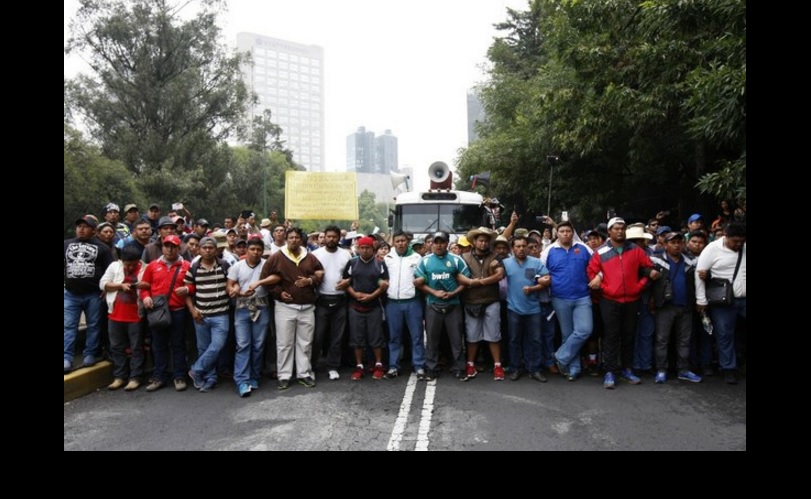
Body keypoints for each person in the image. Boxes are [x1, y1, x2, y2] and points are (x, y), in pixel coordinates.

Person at [587, 217, 659, 389]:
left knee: (629, 335)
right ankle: (610, 371)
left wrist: (639, 286)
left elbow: (648, 270)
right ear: (609, 231)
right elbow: (591, 273)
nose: (620, 231)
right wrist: (606, 288)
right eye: (616, 228)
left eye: (622, 228)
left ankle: (627, 369)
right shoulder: (601, 252)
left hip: (632, 300)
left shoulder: (636, 250)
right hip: (609, 300)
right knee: (610, 336)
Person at [255, 227, 324, 389]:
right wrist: (279, 293)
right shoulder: (277, 257)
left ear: (301, 240)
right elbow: (264, 279)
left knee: (305, 343)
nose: (294, 240)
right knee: (284, 343)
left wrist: (310, 281)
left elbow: (320, 272)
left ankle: (304, 373)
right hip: (285, 307)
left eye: (296, 238)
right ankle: (284, 375)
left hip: (307, 306)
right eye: (291, 237)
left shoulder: (310, 257)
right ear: (286, 239)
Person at [414, 231, 470, 379]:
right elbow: (418, 282)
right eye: (436, 242)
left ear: (447, 243)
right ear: (431, 243)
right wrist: (434, 292)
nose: (439, 245)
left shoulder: (457, 260)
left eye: (442, 242)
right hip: (433, 305)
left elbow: (466, 281)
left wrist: (454, 293)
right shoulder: (425, 261)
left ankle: (459, 367)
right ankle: (431, 367)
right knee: (432, 339)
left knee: (457, 339)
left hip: (453, 305)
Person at [541, 221, 593, 381]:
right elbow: (541, 272)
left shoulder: (583, 248)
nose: (565, 234)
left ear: (572, 233)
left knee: (585, 330)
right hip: (559, 297)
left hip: (582, 296)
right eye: (562, 231)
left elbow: (596, 266)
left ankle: (560, 356)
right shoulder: (548, 251)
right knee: (567, 334)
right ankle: (573, 369)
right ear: (557, 233)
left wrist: (598, 277)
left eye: (568, 231)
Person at [139, 235, 192, 392]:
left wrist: (188, 289)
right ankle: (159, 377)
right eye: (167, 246)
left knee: (178, 345)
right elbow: (144, 286)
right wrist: (146, 297)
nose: (170, 249)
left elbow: (194, 286)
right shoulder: (153, 266)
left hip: (178, 311)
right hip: (158, 311)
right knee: (158, 345)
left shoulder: (186, 266)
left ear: (179, 248)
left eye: (173, 246)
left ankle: (179, 376)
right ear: (162, 247)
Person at [695, 221, 746, 384]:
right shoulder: (712, 249)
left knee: (738, 335)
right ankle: (728, 368)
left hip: (744, 299)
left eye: (741, 241)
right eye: (735, 241)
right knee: (724, 335)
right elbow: (699, 274)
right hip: (722, 302)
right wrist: (701, 299)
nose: (739, 244)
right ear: (726, 236)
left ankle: (739, 361)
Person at [650, 232, 702, 383]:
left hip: (685, 306)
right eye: (672, 242)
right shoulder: (656, 260)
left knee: (685, 340)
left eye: (679, 242)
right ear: (665, 245)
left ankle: (683, 370)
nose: (677, 245)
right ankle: (661, 369)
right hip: (665, 306)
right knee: (662, 339)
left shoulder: (691, 261)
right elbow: (643, 273)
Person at [64, 216, 114, 373]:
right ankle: (66, 358)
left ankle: (90, 354)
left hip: (94, 294)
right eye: (79, 226)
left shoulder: (103, 248)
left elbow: (110, 271)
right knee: (68, 326)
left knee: (93, 326)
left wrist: (106, 289)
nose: (81, 229)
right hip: (71, 294)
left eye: (85, 226)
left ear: (94, 230)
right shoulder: (66, 244)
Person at [456, 227, 506, 381]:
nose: (483, 243)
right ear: (474, 242)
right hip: (471, 301)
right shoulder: (463, 257)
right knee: (472, 336)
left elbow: (499, 275)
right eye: (480, 240)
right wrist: (472, 282)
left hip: (491, 300)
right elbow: (458, 276)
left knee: (494, 335)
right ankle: (470, 364)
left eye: (486, 240)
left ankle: (498, 366)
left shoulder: (495, 256)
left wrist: (479, 282)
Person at [185, 237, 232, 394]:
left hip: (221, 314)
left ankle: (196, 370)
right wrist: (192, 310)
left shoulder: (224, 265)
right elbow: (188, 292)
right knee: (203, 349)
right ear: (199, 249)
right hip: (201, 315)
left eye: (211, 247)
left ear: (216, 249)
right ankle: (209, 379)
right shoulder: (194, 268)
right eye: (204, 247)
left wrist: (234, 288)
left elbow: (232, 283)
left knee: (217, 346)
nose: (207, 250)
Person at [226, 237, 271, 397]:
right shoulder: (237, 266)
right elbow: (229, 286)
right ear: (247, 250)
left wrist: (260, 283)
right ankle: (242, 380)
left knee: (258, 345)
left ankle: (254, 376)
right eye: (253, 249)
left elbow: (276, 277)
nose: (256, 252)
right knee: (243, 344)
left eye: (259, 249)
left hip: (262, 306)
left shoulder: (267, 264)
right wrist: (237, 291)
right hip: (242, 308)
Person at [502, 235, 550, 382]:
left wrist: (533, 288)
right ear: (512, 248)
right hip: (513, 308)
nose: (521, 249)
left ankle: (534, 369)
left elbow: (547, 280)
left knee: (535, 340)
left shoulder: (536, 262)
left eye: (524, 246)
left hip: (533, 309)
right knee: (514, 340)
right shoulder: (505, 263)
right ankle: (515, 368)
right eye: (518, 246)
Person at [100, 246, 148, 391]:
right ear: (122, 260)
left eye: (134, 263)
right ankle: (119, 376)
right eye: (128, 264)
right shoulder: (114, 266)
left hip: (136, 315)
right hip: (115, 314)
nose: (131, 266)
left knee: (136, 347)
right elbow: (103, 284)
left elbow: (151, 286)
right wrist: (120, 286)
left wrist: (145, 285)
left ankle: (135, 377)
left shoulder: (145, 268)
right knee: (116, 347)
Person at [343, 237, 389, 380]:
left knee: (376, 337)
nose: (364, 250)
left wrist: (371, 296)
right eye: (362, 247)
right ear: (358, 248)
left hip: (374, 305)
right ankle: (359, 366)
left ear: (372, 249)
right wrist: (355, 294)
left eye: (367, 248)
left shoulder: (379, 263)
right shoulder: (352, 262)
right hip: (355, 306)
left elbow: (384, 284)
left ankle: (378, 365)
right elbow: (346, 282)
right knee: (357, 338)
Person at [384, 230, 427, 379]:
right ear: (393, 243)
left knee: (416, 336)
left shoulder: (417, 258)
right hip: (392, 303)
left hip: (412, 302)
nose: (400, 243)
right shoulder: (387, 258)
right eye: (397, 241)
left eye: (403, 241)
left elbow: (424, 275)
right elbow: (380, 277)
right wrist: (380, 283)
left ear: (407, 242)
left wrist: (422, 279)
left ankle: (419, 365)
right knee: (394, 337)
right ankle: (393, 366)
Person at [312, 225, 352, 380]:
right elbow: (311, 275)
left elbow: (351, 275)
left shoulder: (346, 255)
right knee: (318, 336)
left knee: (337, 336)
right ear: (324, 237)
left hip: (340, 300)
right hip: (321, 300)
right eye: (328, 236)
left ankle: (332, 366)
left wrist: (347, 282)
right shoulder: (315, 255)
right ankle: (312, 367)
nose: (331, 239)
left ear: (339, 238)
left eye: (334, 237)